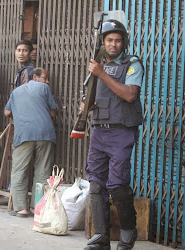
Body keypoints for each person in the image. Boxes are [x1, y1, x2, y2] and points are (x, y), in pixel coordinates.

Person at [83, 20, 144, 250]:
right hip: (99, 132)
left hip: (121, 132)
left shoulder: (132, 64)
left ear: (123, 42)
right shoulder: (96, 65)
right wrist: (85, 106)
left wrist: (101, 73)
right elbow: (88, 97)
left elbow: (129, 94)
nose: (114, 44)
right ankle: (101, 236)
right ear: (103, 42)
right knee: (96, 185)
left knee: (117, 185)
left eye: (118, 40)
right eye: (109, 40)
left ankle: (128, 234)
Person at [4, 68, 57, 217]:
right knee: (42, 171)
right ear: (35, 77)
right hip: (45, 133)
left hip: (24, 133)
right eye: (45, 78)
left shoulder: (16, 92)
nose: (47, 82)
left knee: (19, 170)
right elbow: (53, 112)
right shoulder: (45, 88)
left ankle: (21, 208)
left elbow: (7, 112)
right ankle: (36, 206)